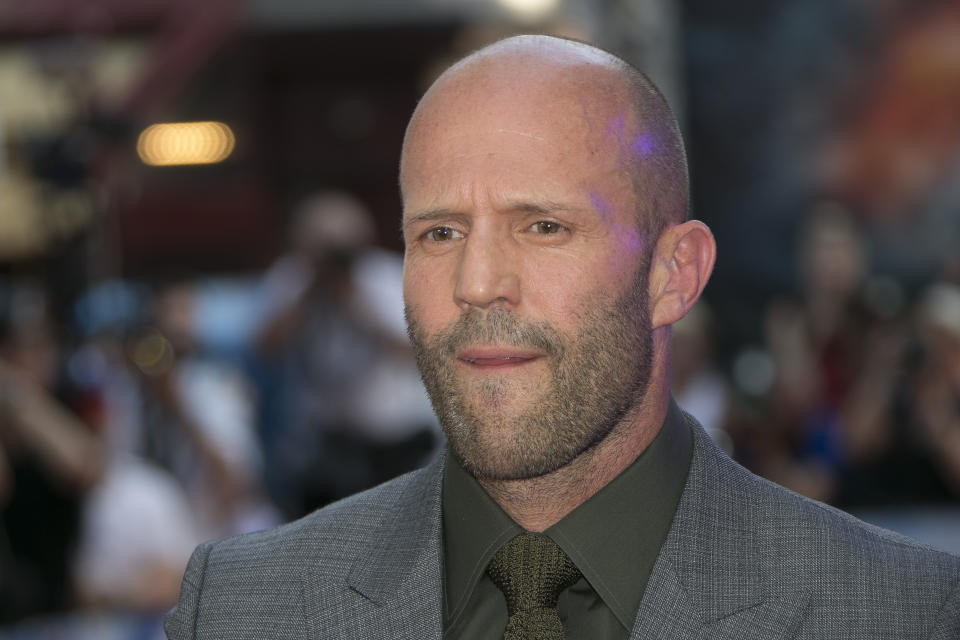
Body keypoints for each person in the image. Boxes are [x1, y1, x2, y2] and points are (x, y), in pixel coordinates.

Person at [165, 35, 960, 639]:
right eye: (439, 233)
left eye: (543, 226)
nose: (476, 283)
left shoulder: (896, 613)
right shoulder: (242, 611)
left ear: (673, 274)